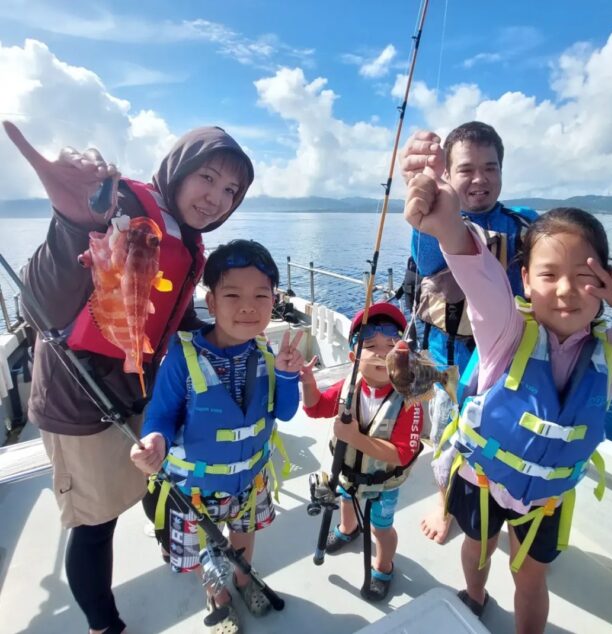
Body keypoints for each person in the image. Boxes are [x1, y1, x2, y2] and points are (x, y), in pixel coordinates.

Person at [3, 120, 254, 634]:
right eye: (206, 178)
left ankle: (170, 544)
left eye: (230, 190)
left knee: (148, 485)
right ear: (178, 170)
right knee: (94, 525)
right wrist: (74, 219)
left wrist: (228, 332)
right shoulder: (122, 209)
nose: (217, 198)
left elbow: (174, 316)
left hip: (140, 391)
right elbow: (40, 302)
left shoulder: (187, 238)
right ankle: (103, 624)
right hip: (79, 401)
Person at [404, 167, 612, 633]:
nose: (567, 290)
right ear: (526, 281)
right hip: (482, 482)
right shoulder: (505, 330)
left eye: (584, 276)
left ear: (607, 283)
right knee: (477, 547)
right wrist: (449, 224)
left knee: (532, 580)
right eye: (549, 275)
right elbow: (478, 274)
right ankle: (473, 595)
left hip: (546, 501)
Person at [131, 239, 304, 633]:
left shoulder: (265, 352)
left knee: (243, 536)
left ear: (273, 299)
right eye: (233, 294)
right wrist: (155, 441)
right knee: (202, 557)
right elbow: (160, 415)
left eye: (261, 294)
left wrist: (289, 375)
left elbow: (286, 412)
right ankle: (218, 595)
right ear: (210, 301)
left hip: (249, 481)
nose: (248, 306)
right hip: (193, 488)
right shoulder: (182, 355)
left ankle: (243, 579)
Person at [401, 121, 538, 544]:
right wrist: (429, 197)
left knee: (507, 438)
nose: (479, 179)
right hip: (450, 362)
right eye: (466, 169)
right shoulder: (431, 219)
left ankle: (514, 505)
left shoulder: (526, 223)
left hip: (510, 360)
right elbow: (427, 264)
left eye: (490, 168)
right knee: (447, 435)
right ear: (447, 173)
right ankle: (446, 503)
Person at [300, 302, 423, 602]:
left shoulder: (409, 400)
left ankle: (383, 566)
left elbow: (403, 454)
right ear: (354, 356)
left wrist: (354, 437)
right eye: (371, 345)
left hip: (382, 484)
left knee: (381, 530)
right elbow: (316, 407)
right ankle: (348, 528)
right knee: (345, 500)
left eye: (391, 345)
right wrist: (307, 382)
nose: (382, 353)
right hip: (348, 474)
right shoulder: (348, 387)